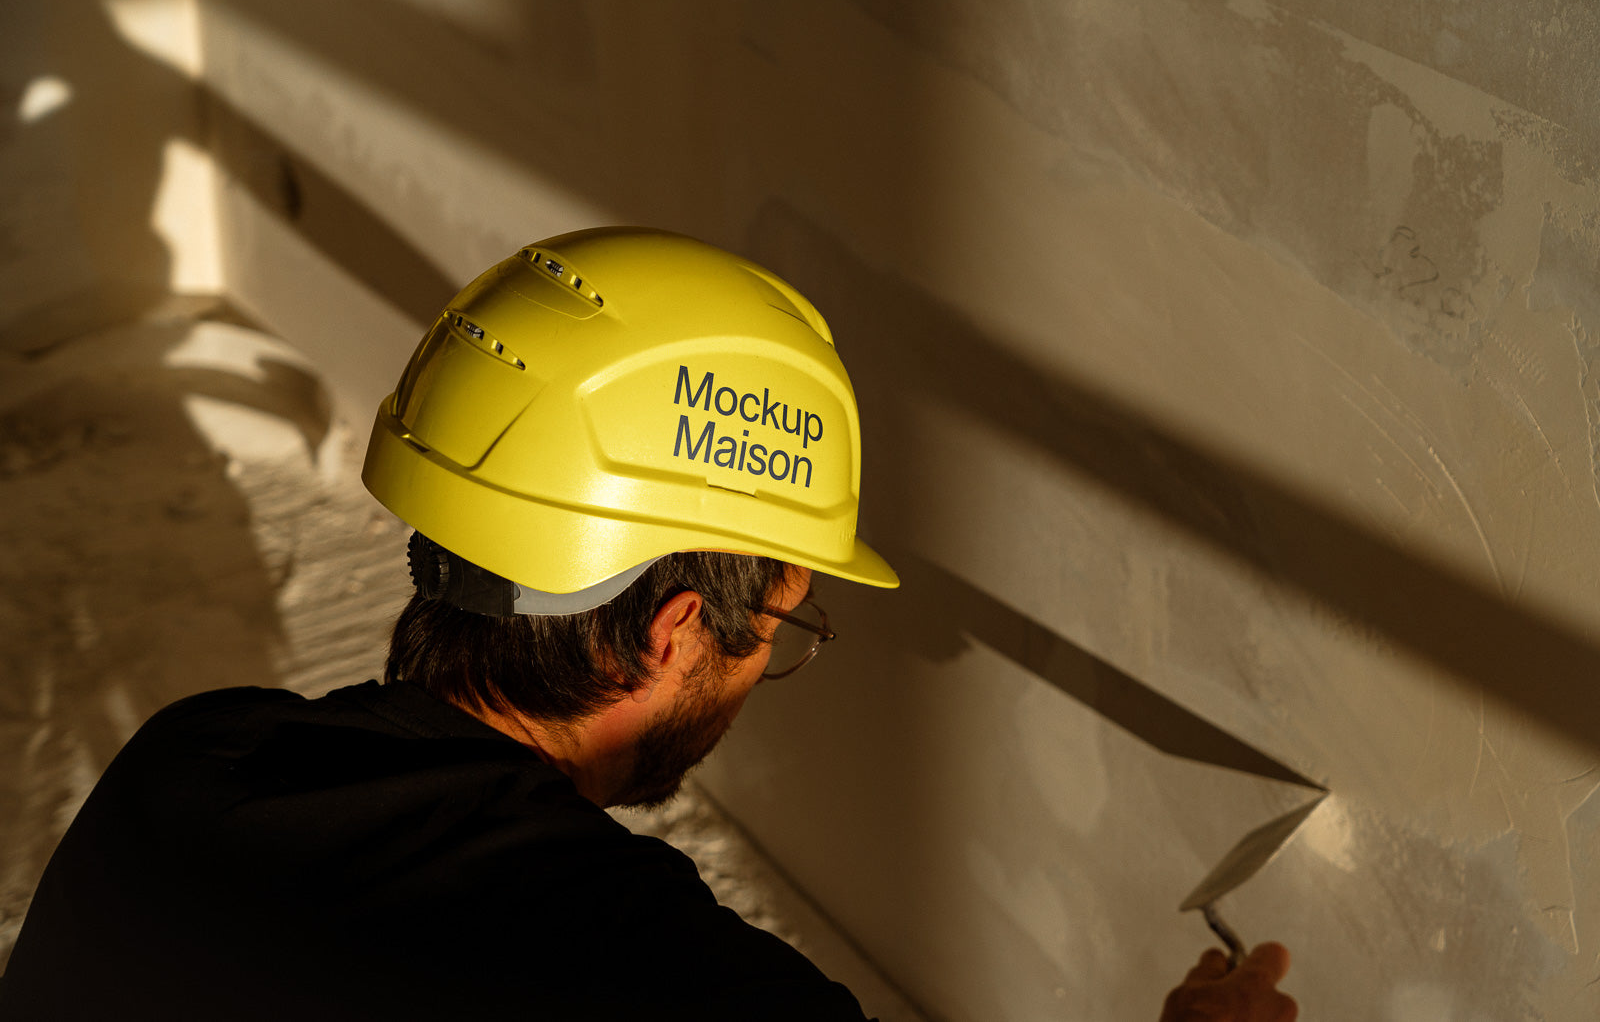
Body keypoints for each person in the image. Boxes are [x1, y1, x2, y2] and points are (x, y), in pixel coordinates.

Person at [0, 229, 1295, 1020]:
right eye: (778, 632)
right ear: (674, 634)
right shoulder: (680, 985)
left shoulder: (187, 764)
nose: (758, 676)